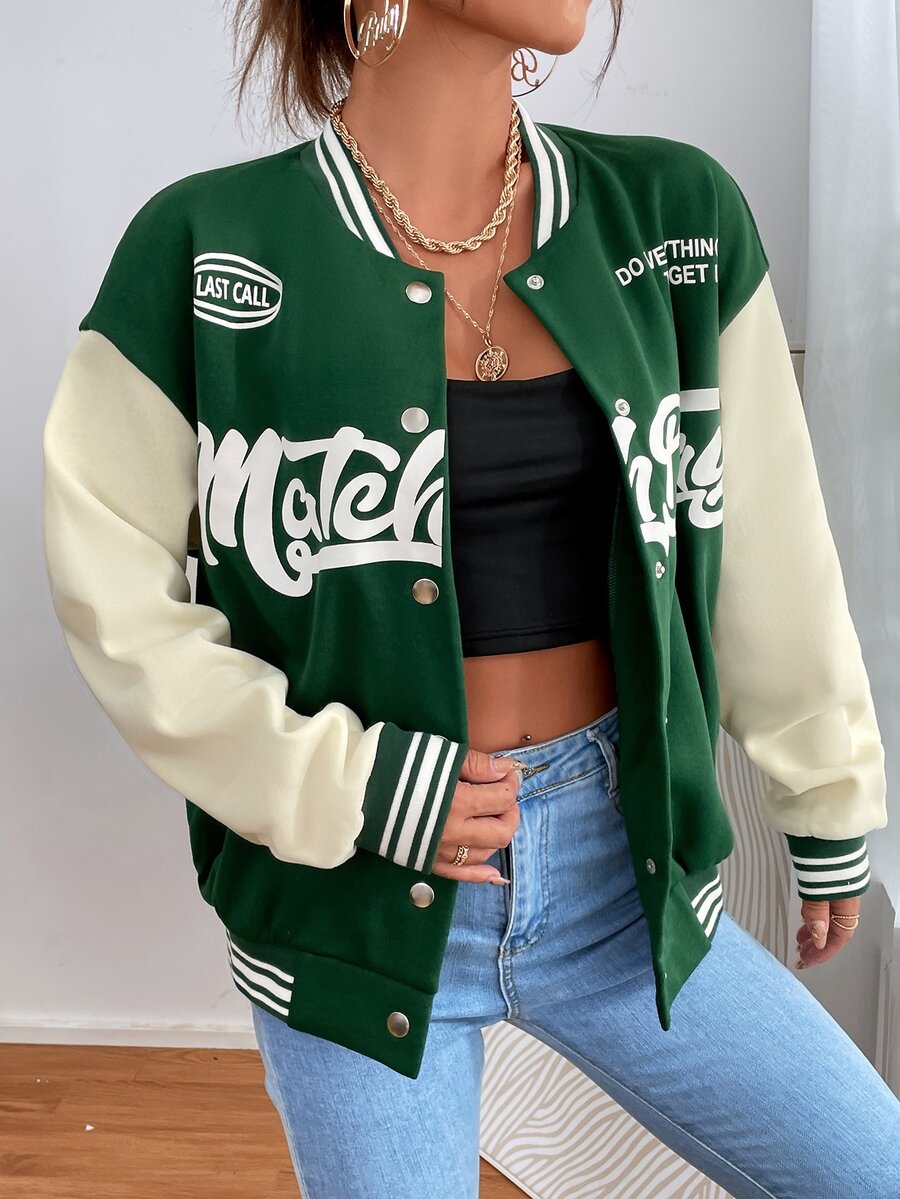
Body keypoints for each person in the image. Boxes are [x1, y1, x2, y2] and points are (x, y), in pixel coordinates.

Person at [41, 1, 900, 1196]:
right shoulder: (206, 244)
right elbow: (114, 599)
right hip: (354, 908)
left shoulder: (673, 215)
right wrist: (349, 782)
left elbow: (767, 530)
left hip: (625, 870)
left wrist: (827, 790)